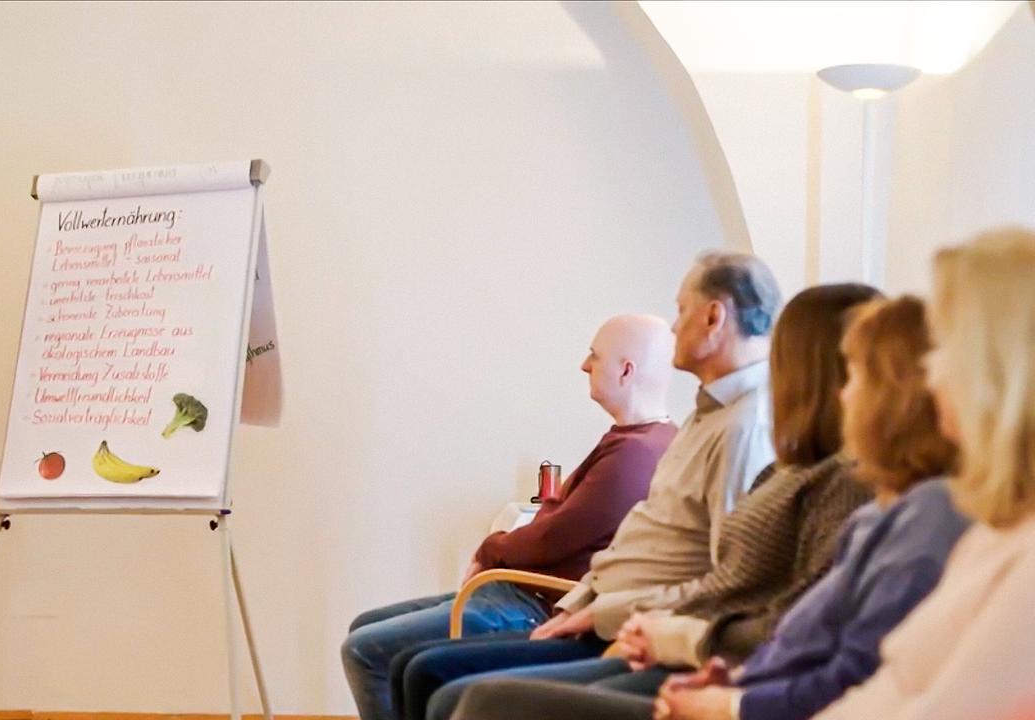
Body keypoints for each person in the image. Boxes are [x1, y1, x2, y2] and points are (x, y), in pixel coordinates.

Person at [449, 295, 971, 720]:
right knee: (451, 684)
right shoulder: (792, 469)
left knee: (467, 694)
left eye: (858, 379)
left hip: (709, 660)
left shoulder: (871, 496)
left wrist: (718, 685)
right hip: (691, 647)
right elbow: (783, 618)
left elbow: (811, 641)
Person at [394, 252, 781, 720]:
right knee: (423, 672)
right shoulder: (706, 415)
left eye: (681, 311)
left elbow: (725, 580)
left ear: (715, 316)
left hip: (631, 631)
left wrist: (607, 618)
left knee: (442, 684)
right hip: (598, 613)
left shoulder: (744, 428)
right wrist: (579, 606)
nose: (674, 328)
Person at [341, 314, 678, 720]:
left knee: (365, 650)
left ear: (626, 371)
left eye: (594, 355)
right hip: (522, 588)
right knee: (365, 625)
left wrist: (491, 547)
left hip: (537, 600)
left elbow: (551, 537)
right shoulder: (637, 440)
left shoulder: (635, 454)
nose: (584, 365)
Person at [816, 228, 1035, 720]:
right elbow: (891, 690)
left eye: (942, 345)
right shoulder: (994, 528)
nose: (930, 373)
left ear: (1000, 368)